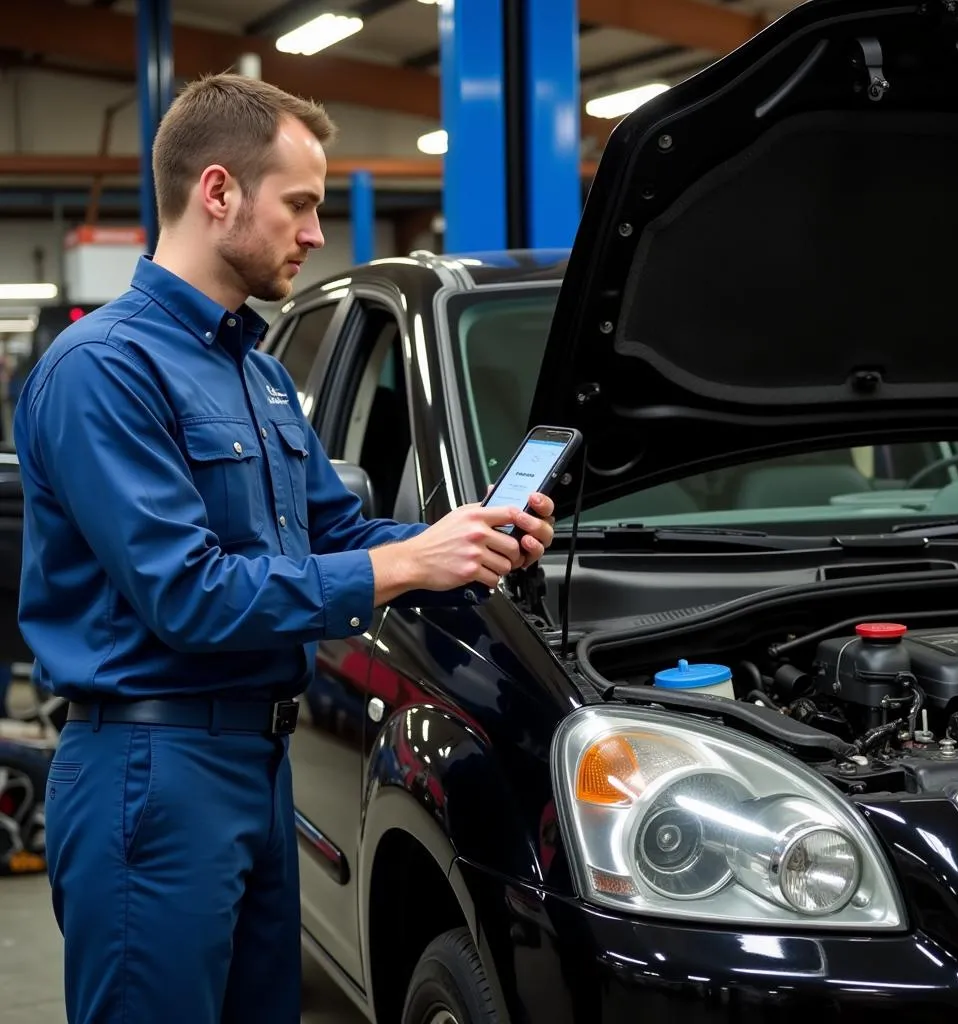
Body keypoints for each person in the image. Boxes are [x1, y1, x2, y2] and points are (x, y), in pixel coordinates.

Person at [14, 74, 556, 1024]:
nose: (315, 232)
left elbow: (336, 532)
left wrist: (458, 537)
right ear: (217, 191)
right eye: (300, 205)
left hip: (258, 767)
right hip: (154, 769)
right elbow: (187, 594)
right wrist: (404, 566)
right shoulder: (106, 370)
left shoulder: (259, 377)